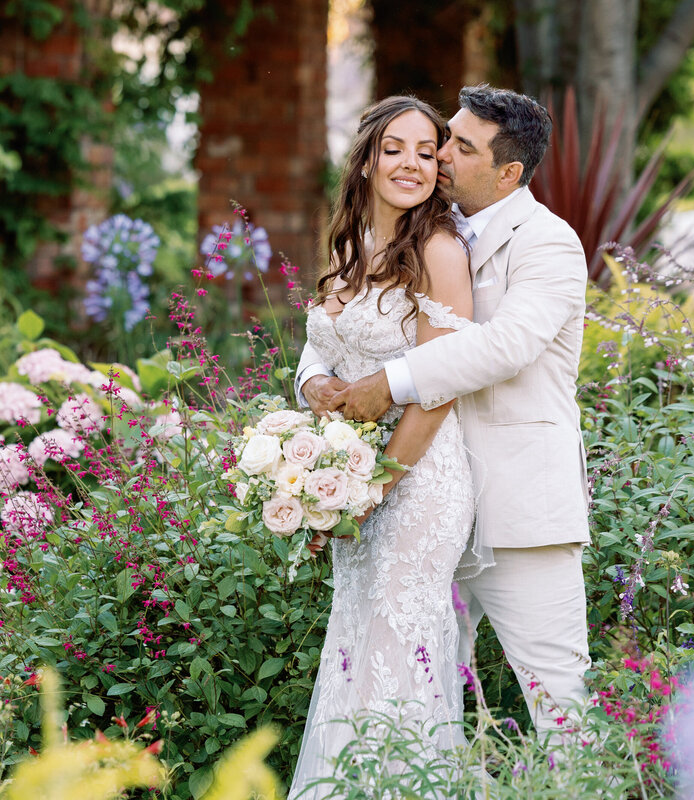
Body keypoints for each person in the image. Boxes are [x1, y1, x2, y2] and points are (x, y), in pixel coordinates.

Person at [299, 84, 591, 742]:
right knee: (405, 689)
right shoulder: (417, 229)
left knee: (558, 696)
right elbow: (343, 329)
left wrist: (391, 384)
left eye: (459, 146)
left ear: (508, 172)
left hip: (515, 510)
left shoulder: (548, 243)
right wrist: (316, 381)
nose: (440, 157)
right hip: (421, 500)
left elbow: (506, 345)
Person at [288, 94, 486, 799]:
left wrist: (374, 490)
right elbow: (318, 353)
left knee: (396, 649)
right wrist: (312, 387)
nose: (412, 164)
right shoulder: (351, 247)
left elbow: (441, 388)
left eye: (427, 152)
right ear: (368, 158)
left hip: (419, 483)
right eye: (395, 148)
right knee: (353, 646)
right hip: (356, 486)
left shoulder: (438, 251)